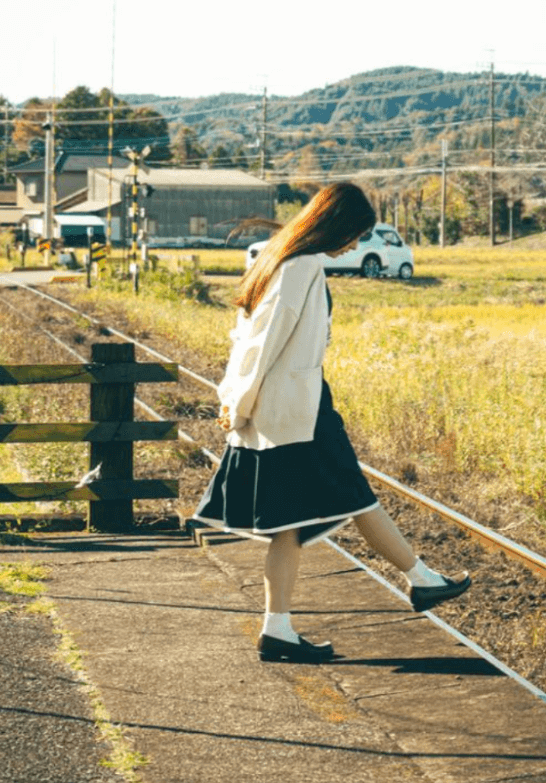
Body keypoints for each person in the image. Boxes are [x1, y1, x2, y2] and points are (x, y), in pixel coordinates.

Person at [193, 181, 471, 662]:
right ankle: (421, 579)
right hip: (295, 409)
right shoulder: (301, 265)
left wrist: (235, 396)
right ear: (335, 225)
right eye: (356, 234)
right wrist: (236, 400)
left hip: (291, 405)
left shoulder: (279, 257)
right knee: (353, 493)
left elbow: (246, 335)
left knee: (289, 523)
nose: (355, 245)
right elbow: (262, 342)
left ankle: (278, 629)